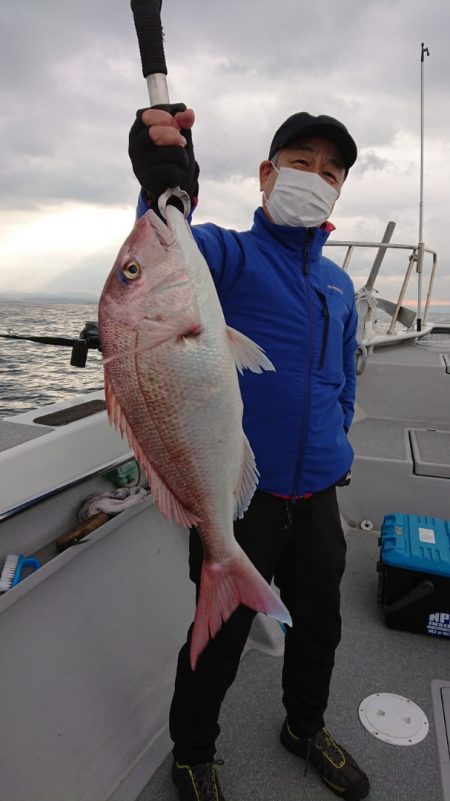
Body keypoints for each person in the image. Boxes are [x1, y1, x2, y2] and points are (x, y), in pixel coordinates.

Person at [128, 105, 370, 801]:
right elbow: (157, 262)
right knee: (218, 641)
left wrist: (337, 442)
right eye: (301, 163)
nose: (315, 178)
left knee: (320, 626)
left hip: (319, 492)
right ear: (266, 175)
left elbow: (343, 378)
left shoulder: (338, 284)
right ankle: (192, 753)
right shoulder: (228, 256)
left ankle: (304, 725)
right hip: (241, 500)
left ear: (340, 191)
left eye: (331, 171)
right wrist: (165, 181)